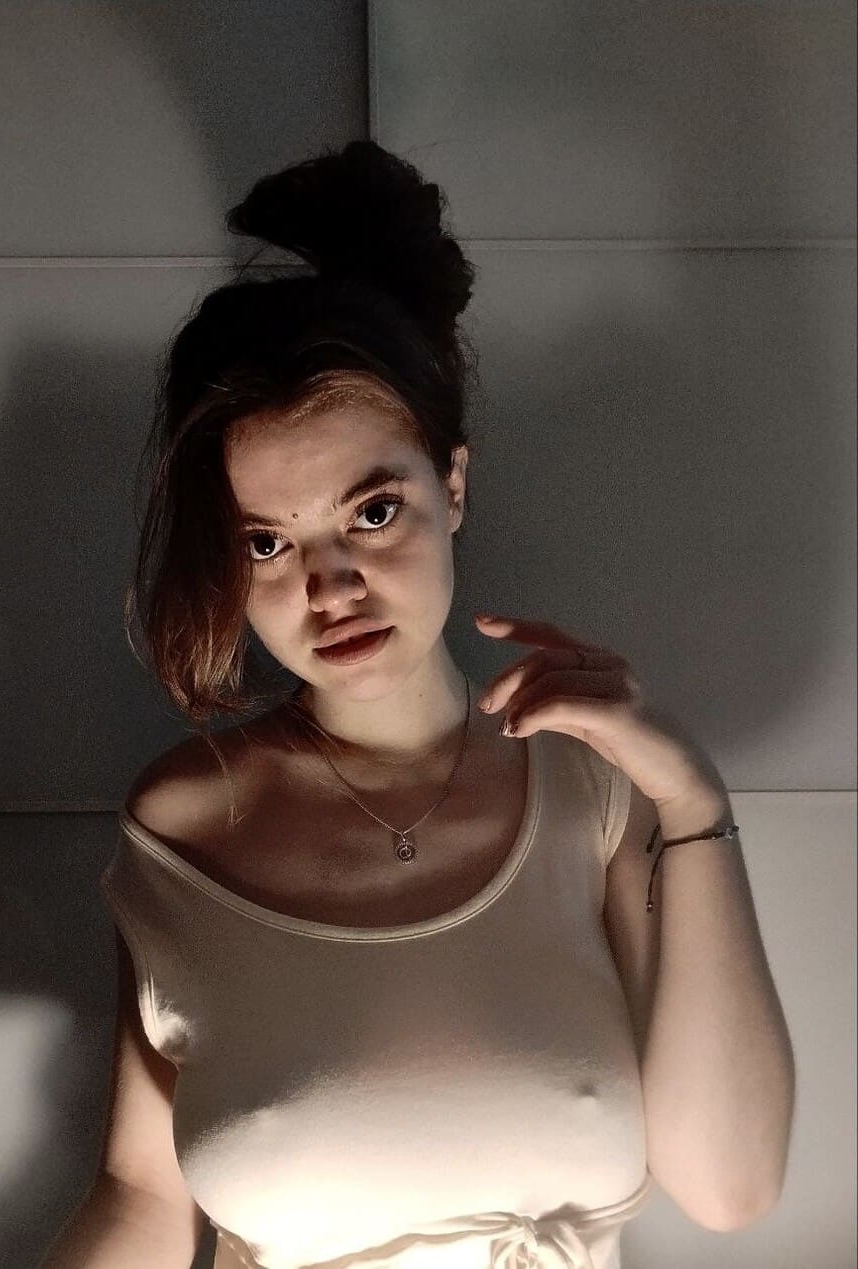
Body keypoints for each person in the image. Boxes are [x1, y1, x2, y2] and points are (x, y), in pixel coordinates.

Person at [42, 141, 791, 1269]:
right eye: (267, 542)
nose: (329, 585)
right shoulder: (187, 822)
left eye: (373, 512)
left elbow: (729, 1186)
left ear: (452, 486)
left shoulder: (593, 788)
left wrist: (690, 801)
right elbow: (143, 1194)